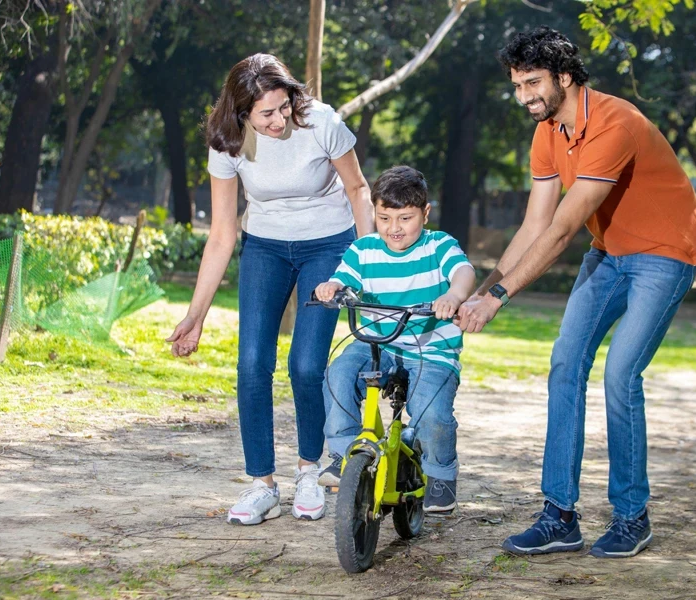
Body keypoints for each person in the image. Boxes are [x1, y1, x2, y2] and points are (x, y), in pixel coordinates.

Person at [457, 27, 696, 557]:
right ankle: (559, 515)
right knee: (565, 363)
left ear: (565, 76)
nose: (524, 95)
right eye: (517, 85)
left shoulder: (614, 123)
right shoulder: (548, 130)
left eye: (533, 82)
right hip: (610, 254)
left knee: (620, 373)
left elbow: (561, 231)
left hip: (664, 254)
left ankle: (631, 516)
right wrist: (482, 290)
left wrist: (501, 299)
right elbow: (534, 224)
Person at [166, 54, 374, 525]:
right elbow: (222, 233)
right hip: (265, 247)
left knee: (305, 364)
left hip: (328, 245)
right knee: (252, 362)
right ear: (241, 113)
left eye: (284, 107)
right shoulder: (227, 144)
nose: (280, 119)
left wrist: (366, 265)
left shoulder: (321, 122)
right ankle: (261, 484)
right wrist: (195, 315)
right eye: (267, 113)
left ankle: (307, 470)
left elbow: (358, 189)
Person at [313, 166, 475, 514]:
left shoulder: (438, 245)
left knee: (431, 411)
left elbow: (463, 271)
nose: (394, 228)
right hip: (377, 343)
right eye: (384, 218)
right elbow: (344, 279)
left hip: (430, 349)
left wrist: (455, 295)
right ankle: (343, 453)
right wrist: (333, 287)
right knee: (337, 374)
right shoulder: (364, 249)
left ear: (425, 213)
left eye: (405, 218)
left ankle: (440, 473)